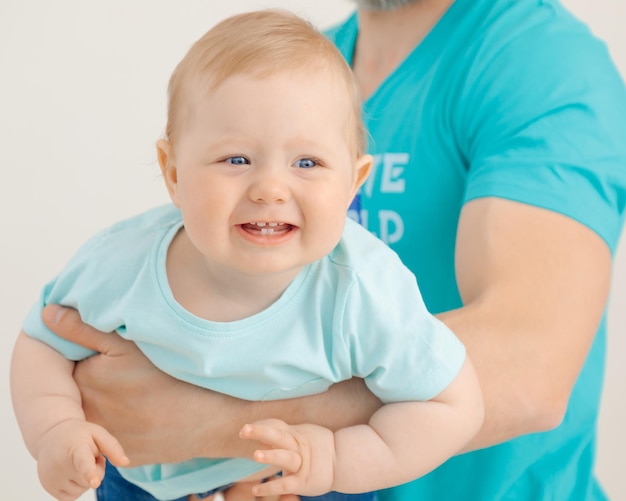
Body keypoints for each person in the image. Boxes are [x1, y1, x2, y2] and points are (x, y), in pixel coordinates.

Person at [25, 0, 626, 499]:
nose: (270, 187)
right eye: (238, 159)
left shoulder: (534, 61)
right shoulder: (290, 64)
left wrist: (207, 424)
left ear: (354, 177)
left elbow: (533, 371)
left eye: (308, 163)